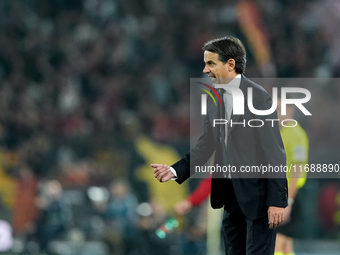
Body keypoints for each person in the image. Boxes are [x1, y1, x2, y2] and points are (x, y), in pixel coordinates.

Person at [151, 36, 288, 255]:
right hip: (230, 200)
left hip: (259, 201)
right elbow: (206, 145)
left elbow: (275, 153)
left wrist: (277, 201)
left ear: (231, 64)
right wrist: (175, 170)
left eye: (211, 63)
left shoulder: (259, 99)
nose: (205, 70)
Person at [274, 100, 309, 255]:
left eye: (280, 108)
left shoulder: (296, 135)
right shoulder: (279, 132)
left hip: (288, 195)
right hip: (279, 194)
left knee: (276, 245)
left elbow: (297, 168)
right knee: (285, 246)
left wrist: (289, 201)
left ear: (291, 110)